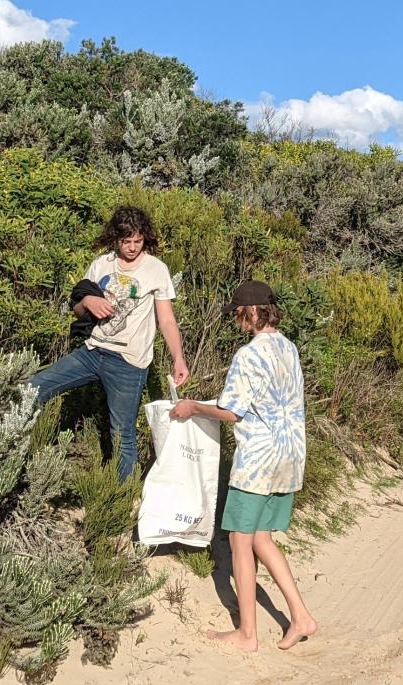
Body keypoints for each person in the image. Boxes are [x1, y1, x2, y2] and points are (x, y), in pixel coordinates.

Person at [169, 280, 316, 652]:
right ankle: (300, 616)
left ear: (251, 312)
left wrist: (193, 407)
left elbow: (231, 412)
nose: (237, 320)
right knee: (262, 539)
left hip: (258, 461)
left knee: (239, 540)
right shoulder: (289, 347)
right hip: (290, 454)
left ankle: (247, 634)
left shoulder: (248, 356)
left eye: (238, 313)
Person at [30, 205, 189, 481]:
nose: (132, 247)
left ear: (145, 239)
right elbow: (79, 310)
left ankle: (121, 495)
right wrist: (88, 301)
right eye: (126, 241)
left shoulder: (156, 270)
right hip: (93, 350)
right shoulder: (101, 264)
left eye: (138, 241)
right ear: (116, 238)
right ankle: (13, 449)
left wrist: (178, 357)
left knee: (122, 432)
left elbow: (166, 320)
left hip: (129, 362)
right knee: (33, 388)